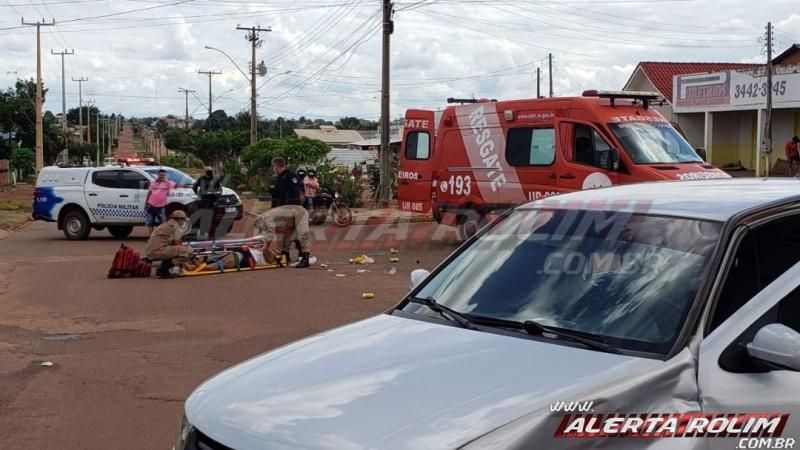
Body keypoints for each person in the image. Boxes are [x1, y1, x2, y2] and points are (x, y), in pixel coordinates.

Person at [263, 157, 312, 268]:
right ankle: (285, 255)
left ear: (276, 165)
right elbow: (278, 196)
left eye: (273, 166)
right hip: (286, 209)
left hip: (294, 208)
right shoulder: (280, 178)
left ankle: (305, 258)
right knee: (287, 234)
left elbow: (295, 193)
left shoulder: (290, 175)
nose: (273, 169)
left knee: (302, 233)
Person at [145, 210, 196, 278]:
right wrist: (186, 263)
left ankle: (164, 267)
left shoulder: (165, 224)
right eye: (183, 220)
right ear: (179, 219)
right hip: (158, 250)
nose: (184, 222)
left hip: (151, 250)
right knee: (188, 251)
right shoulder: (176, 227)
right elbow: (178, 245)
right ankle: (164, 269)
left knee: (174, 249)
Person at [192, 166, 222, 238]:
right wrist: (198, 194)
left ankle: (211, 233)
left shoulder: (214, 179)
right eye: (208, 171)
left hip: (211, 201)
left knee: (211, 217)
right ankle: (206, 233)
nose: (209, 172)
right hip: (205, 200)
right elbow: (194, 186)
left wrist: (217, 197)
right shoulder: (202, 178)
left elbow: (220, 189)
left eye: (210, 171)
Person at [144, 168, 175, 235]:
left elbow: (177, 185)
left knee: (163, 221)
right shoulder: (153, 183)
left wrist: (190, 186)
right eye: (161, 175)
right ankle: (151, 237)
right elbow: (149, 193)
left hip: (161, 206)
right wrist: (146, 203)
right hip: (151, 205)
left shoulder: (168, 183)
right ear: (158, 175)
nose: (162, 177)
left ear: (165, 176)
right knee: (150, 222)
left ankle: (162, 236)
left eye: (163, 175)